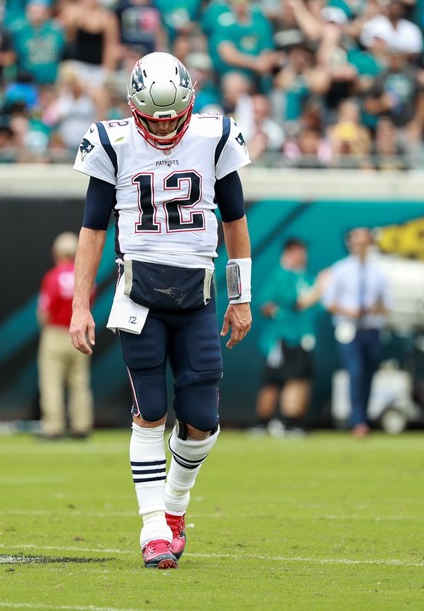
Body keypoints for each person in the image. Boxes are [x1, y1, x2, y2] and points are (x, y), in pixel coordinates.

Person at [68, 52, 253, 570]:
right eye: (155, 117)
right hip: (138, 293)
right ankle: (153, 528)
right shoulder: (113, 141)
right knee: (149, 411)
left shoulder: (215, 135)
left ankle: (174, 507)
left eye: (175, 115)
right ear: (133, 107)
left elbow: (235, 223)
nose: (167, 126)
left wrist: (242, 296)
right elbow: (92, 229)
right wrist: (80, 304)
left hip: (197, 292)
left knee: (202, 419)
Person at [321, 227, 394, 439]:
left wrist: (374, 308)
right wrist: (349, 311)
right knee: (356, 371)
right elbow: (329, 302)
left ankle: (364, 415)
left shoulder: (379, 271)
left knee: (369, 373)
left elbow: (388, 303)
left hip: (371, 328)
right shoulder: (341, 269)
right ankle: (358, 420)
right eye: (356, 243)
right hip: (349, 328)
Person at [251, 238, 327, 438]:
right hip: (283, 338)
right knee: (283, 380)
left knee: (302, 378)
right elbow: (267, 305)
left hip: (304, 337)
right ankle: (277, 422)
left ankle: (293, 422)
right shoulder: (280, 276)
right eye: (298, 251)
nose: (303, 256)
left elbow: (316, 307)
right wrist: (280, 313)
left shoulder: (306, 277)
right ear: (289, 252)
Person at [36, 231, 95, 440]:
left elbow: (44, 311)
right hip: (80, 332)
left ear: (56, 253)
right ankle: (82, 426)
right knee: (79, 383)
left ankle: (54, 427)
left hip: (55, 333)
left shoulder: (52, 277)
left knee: (51, 383)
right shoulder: (85, 278)